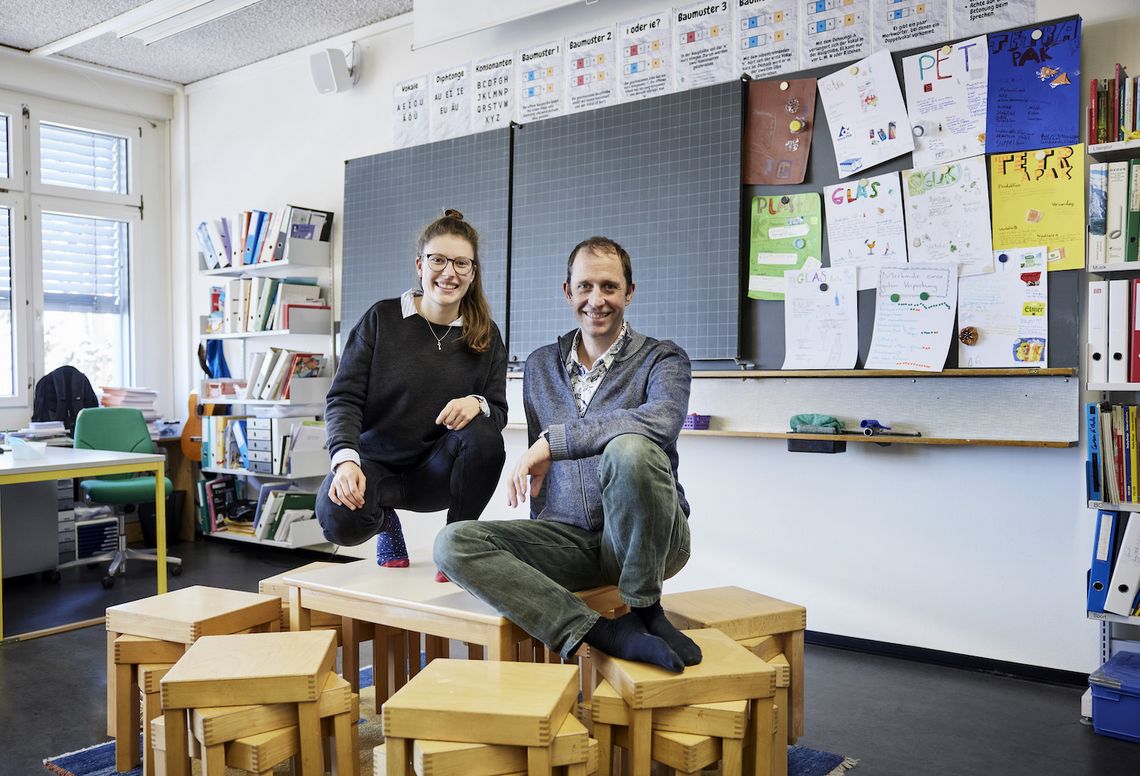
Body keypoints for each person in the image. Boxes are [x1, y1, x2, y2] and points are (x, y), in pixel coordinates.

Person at [434, 236, 700, 671]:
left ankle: (645, 610)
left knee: (630, 448)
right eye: (585, 287)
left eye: (610, 287)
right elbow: (543, 475)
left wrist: (554, 442)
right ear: (568, 291)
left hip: (652, 540)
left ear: (629, 293)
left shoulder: (663, 359)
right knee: (454, 542)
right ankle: (602, 632)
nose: (596, 300)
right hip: (571, 540)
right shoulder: (540, 365)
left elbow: (660, 422)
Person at [318, 209, 507, 578]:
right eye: (438, 260)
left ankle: (456, 546)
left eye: (461, 263)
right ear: (420, 265)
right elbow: (344, 398)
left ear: (472, 272)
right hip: (374, 468)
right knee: (336, 519)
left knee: (484, 432)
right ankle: (385, 522)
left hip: (437, 475)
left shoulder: (486, 335)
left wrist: (477, 403)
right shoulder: (381, 319)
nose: (448, 272)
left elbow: (497, 412)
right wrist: (345, 461)